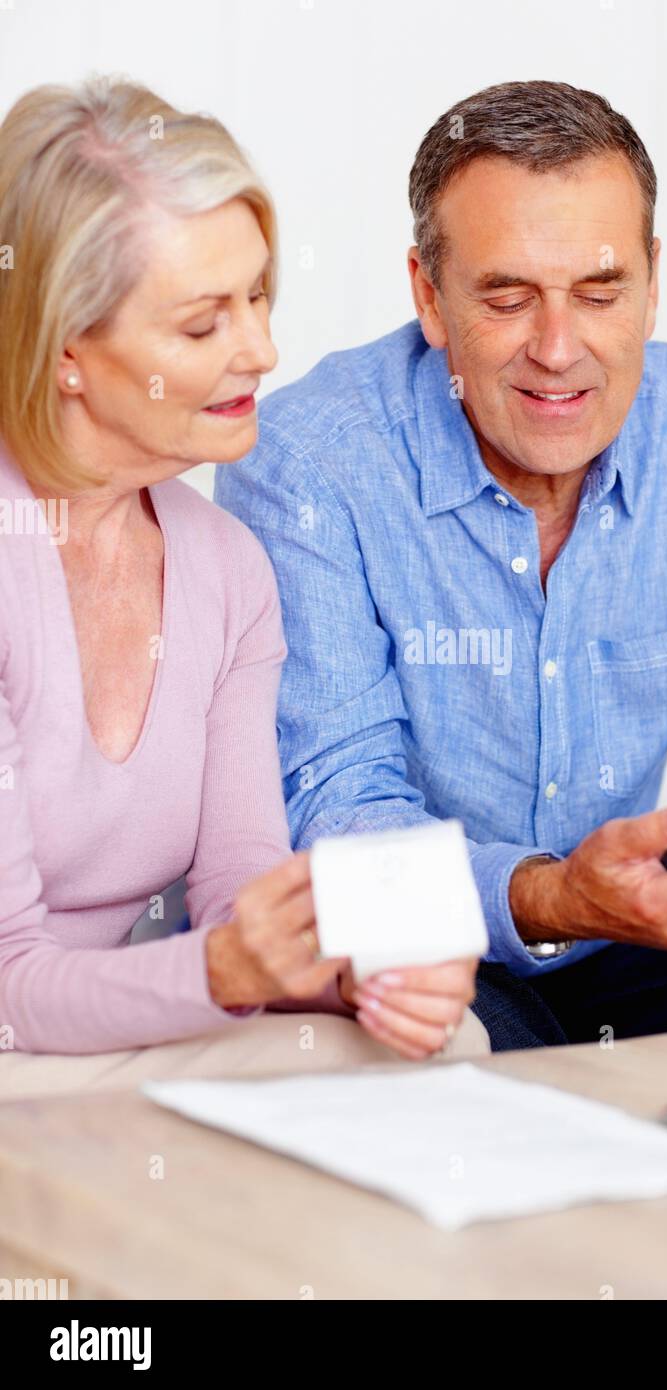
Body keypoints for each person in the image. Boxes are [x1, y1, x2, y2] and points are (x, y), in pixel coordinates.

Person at [216, 80, 667, 1051]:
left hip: (639, 947)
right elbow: (339, 810)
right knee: (429, 1038)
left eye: (598, 292)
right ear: (428, 293)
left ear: (651, 281)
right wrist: (553, 897)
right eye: (506, 298)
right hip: (432, 952)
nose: (557, 350)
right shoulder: (308, 464)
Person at [0, 76, 479, 1061]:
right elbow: (13, 985)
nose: (261, 348)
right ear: (65, 350)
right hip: (21, 1035)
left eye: (257, 294)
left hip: (117, 1026)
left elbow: (238, 894)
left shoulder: (226, 568)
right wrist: (226, 971)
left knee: (445, 1043)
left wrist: (351, 966)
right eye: (200, 322)